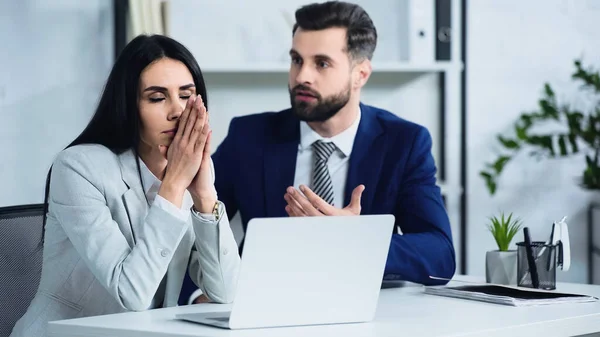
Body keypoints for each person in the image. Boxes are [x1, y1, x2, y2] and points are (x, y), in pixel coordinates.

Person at [182, 0, 456, 304]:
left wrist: (356, 239)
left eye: (321, 63)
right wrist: (197, 298)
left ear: (360, 74)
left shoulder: (404, 143)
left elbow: (439, 255)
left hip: (363, 312)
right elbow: (190, 227)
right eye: (297, 60)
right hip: (262, 309)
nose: (302, 77)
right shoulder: (249, 137)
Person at [10, 35, 240, 337]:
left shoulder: (190, 179)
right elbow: (132, 293)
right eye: (157, 98)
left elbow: (227, 292)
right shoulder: (78, 168)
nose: (177, 111)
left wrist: (204, 196)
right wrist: (173, 187)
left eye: (186, 96)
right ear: (128, 106)